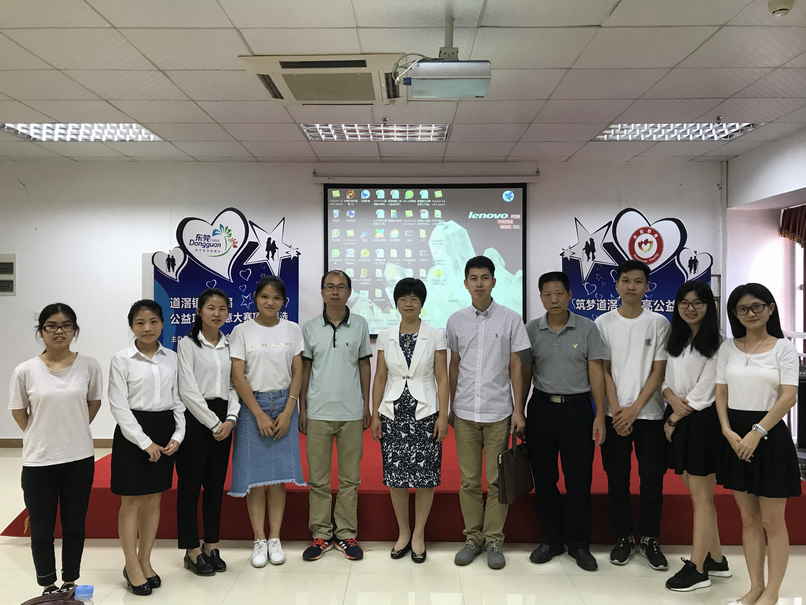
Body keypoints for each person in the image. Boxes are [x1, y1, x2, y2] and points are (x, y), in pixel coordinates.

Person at [8, 303, 102, 595]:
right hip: (39, 461)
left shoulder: (89, 366)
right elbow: (18, 410)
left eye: (66, 325)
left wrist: (73, 428)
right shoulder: (25, 370)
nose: (59, 331)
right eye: (51, 325)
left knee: (74, 525)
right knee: (41, 528)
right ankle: (48, 585)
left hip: (79, 458)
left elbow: (94, 402)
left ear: (74, 330)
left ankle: (70, 581)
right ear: (41, 331)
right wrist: (42, 432)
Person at [716, 283, 800, 605]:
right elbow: (720, 391)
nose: (750, 313)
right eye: (742, 309)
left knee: (771, 521)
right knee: (748, 518)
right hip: (736, 437)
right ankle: (755, 587)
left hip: (769, 435)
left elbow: (789, 396)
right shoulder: (728, 347)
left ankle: (772, 592)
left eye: (756, 307)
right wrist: (727, 430)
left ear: (770, 309)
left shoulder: (783, 348)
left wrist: (757, 432)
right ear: (734, 314)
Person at [447, 255, 530, 570]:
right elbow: (454, 365)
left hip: (498, 413)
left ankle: (494, 540)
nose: (479, 283)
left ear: (494, 282)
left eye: (484, 277)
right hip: (465, 413)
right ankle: (473, 538)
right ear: (465, 283)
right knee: (469, 481)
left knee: (497, 481)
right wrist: (450, 405)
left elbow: (516, 365)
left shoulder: (511, 319)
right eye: (473, 278)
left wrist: (518, 409)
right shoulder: (455, 320)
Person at [521, 272, 606, 571]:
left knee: (579, 479)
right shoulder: (531, 330)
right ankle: (551, 539)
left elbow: (596, 372)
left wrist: (600, 415)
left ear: (569, 295)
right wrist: (519, 410)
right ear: (541, 298)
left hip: (578, 410)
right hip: (542, 409)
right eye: (547, 294)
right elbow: (524, 373)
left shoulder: (587, 328)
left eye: (559, 293)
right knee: (544, 478)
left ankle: (579, 544)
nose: (553, 299)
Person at [595, 260, 671, 571]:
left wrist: (635, 409)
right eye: (625, 280)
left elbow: (658, 371)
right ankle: (623, 536)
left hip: (650, 416)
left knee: (652, 479)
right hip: (615, 416)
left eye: (638, 281)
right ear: (617, 285)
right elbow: (603, 369)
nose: (631, 286)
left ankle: (650, 537)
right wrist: (617, 411)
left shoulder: (658, 323)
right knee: (617, 479)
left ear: (647, 286)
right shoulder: (603, 323)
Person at [108, 299, 185, 596]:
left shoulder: (172, 358)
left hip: (164, 430)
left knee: (154, 498)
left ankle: (145, 560)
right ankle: (131, 564)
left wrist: (178, 434)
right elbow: (119, 405)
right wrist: (144, 442)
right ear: (131, 327)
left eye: (153, 321)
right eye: (140, 323)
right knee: (131, 501)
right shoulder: (121, 359)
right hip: (133, 434)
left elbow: (178, 399)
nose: (147, 328)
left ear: (162, 324)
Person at [370, 278, 449, 563]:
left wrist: (443, 415)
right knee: (397, 477)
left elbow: (442, 377)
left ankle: (419, 534)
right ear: (396, 302)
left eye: (414, 298)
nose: (408, 303)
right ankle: (403, 532)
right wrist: (376, 413)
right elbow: (381, 376)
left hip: (426, 413)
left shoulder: (435, 334)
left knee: (425, 477)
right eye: (403, 298)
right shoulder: (385, 335)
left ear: (422, 303)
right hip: (393, 414)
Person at [228, 276, 305, 568]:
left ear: (283, 302)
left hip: (285, 403)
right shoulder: (241, 331)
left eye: (276, 298)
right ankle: (259, 540)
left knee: (278, 478)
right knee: (256, 479)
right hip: (253, 407)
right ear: (255, 298)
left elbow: (298, 372)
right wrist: (258, 414)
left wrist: (288, 410)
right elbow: (238, 376)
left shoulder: (292, 329)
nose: (270, 302)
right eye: (264, 297)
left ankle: (275, 538)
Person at [299, 270, 372, 561]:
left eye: (341, 287)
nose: (335, 292)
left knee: (349, 480)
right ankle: (320, 535)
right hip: (317, 412)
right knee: (318, 480)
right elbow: (305, 369)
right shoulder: (309, 327)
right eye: (329, 287)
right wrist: (303, 408)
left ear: (349, 292)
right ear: (321, 292)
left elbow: (364, 366)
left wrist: (366, 404)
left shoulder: (361, 325)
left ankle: (346, 534)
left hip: (351, 412)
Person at [662, 281, 730, 591]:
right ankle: (716, 559)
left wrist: (675, 416)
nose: (690, 308)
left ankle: (698, 568)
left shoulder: (718, 343)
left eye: (697, 303)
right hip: (678, 415)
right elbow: (664, 378)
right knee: (695, 492)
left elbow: (707, 389)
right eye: (684, 303)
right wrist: (670, 400)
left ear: (708, 306)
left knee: (701, 498)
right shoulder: (675, 338)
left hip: (702, 422)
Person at [176, 288, 239, 575]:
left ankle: (211, 544)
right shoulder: (188, 344)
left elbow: (236, 384)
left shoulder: (230, 344)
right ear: (199, 311)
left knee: (215, 485)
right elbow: (187, 389)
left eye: (222, 308)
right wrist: (214, 423)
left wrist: (231, 419)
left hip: (225, 419)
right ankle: (191, 549)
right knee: (190, 487)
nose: (217, 313)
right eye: (211, 308)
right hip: (195, 419)